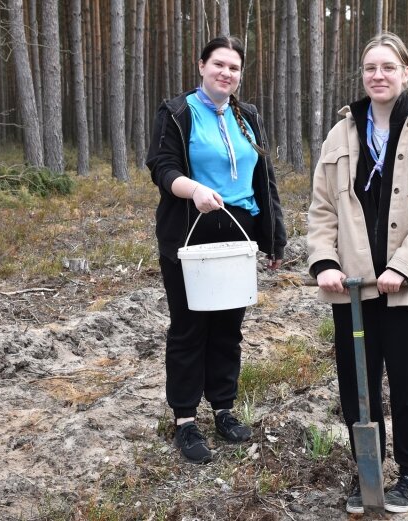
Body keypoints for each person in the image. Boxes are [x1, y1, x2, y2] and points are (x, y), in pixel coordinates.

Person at [307, 31, 408, 514]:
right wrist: (325, 262)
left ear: (405, 73)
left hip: (407, 289)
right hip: (352, 290)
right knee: (358, 387)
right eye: (371, 67)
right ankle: (367, 472)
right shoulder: (341, 134)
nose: (379, 75)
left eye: (388, 67)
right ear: (363, 74)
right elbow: (321, 208)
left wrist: (403, 265)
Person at [145, 36, 286, 464]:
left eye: (234, 68)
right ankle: (185, 421)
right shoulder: (178, 112)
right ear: (202, 64)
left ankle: (223, 408)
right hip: (191, 231)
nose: (226, 73)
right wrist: (195, 191)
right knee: (189, 328)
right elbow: (161, 167)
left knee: (228, 326)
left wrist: (274, 237)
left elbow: (264, 178)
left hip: (239, 231)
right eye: (219, 64)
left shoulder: (247, 116)